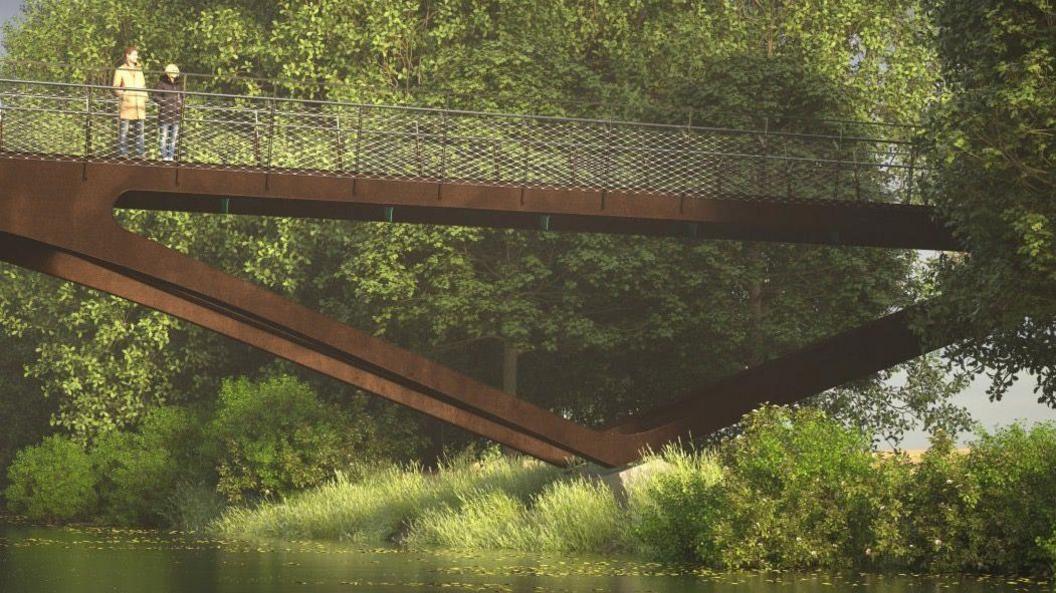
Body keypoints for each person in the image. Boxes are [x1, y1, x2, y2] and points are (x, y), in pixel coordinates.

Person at [112, 46, 147, 158]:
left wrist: (145, 97)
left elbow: (143, 85)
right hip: (127, 104)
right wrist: (123, 94)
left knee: (140, 131)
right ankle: (122, 153)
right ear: (128, 55)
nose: (136, 57)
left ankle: (139, 153)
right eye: (134, 54)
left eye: (137, 55)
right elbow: (116, 87)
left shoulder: (139, 69)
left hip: (139, 104)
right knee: (124, 131)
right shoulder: (120, 70)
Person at [153, 64, 183, 161]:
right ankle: (164, 156)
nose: (175, 73)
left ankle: (170, 157)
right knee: (164, 137)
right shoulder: (161, 83)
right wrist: (165, 103)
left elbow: (182, 96)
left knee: (174, 138)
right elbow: (155, 96)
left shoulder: (178, 84)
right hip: (165, 114)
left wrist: (180, 103)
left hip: (176, 115)